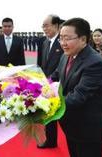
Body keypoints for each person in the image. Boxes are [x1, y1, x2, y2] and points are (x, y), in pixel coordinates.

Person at [51, 18, 102, 157]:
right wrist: (38, 85)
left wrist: (48, 104)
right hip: (71, 125)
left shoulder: (94, 62)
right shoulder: (67, 55)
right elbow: (57, 75)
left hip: (88, 129)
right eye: (61, 38)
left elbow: (79, 96)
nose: (63, 43)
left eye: (67, 38)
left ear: (83, 39)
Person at [37, 14, 65, 149]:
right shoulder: (45, 42)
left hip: (61, 84)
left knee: (64, 117)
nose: (44, 28)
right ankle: (51, 140)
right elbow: (42, 64)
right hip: (47, 84)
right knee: (48, 113)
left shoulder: (63, 42)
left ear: (56, 26)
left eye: (46, 25)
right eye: (43, 26)